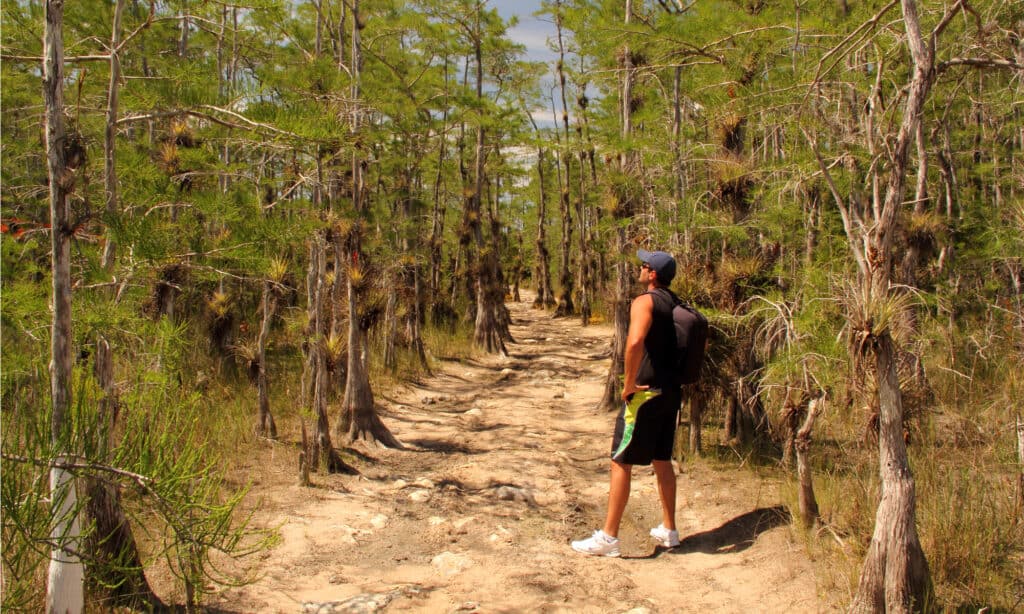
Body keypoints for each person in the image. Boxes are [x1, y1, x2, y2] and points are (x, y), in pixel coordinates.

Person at [572, 249, 684, 557]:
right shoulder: (676, 304)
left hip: (645, 394)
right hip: (670, 393)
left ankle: (608, 538)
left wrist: (629, 382)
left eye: (644, 265)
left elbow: (634, 342)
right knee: (662, 459)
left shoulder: (644, 301)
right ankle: (670, 530)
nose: (640, 267)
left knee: (620, 460)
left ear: (652, 275)